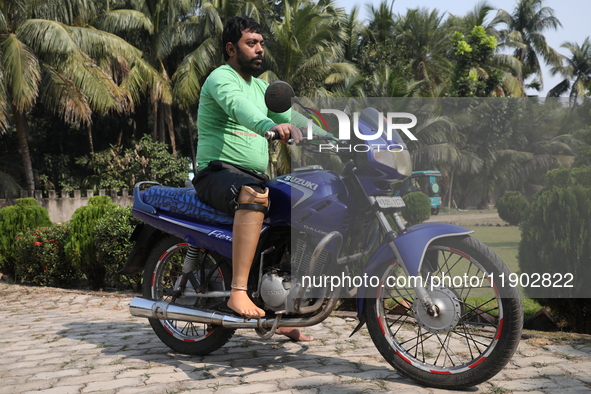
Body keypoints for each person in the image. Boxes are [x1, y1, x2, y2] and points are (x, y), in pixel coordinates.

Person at [193, 17, 312, 341]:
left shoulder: (263, 88)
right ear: (231, 48)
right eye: (251, 43)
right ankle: (238, 291)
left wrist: (342, 126)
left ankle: (279, 310)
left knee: (297, 208)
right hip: (217, 173)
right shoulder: (221, 78)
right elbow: (239, 107)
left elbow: (292, 116)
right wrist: (267, 126)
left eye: (261, 43)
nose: (260, 49)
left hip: (254, 176)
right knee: (254, 194)